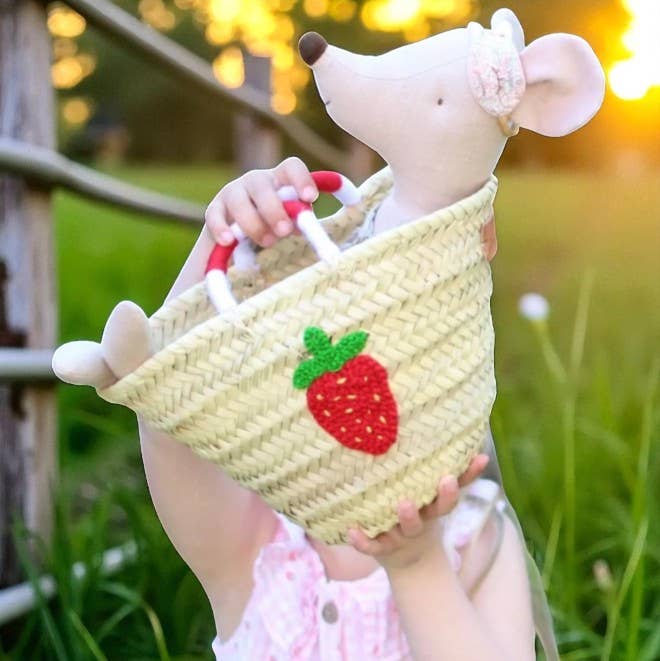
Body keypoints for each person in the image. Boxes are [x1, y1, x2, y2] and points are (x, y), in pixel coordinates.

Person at [152, 157, 549, 660]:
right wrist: (222, 237)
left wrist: (418, 564)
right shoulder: (258, 550)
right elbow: (167, 400)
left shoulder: (476, 538)